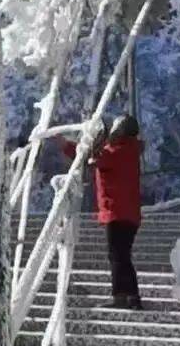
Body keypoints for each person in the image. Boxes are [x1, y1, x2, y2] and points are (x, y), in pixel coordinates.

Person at [61, 114, 144, 308]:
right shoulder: (129, 150)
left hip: (118, 212)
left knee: (118, 255)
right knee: (121, 254)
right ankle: (130, 296)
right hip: (126, 212)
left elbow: (91, 158)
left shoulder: (119, 151)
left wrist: (66, 146)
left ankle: (124, 296)